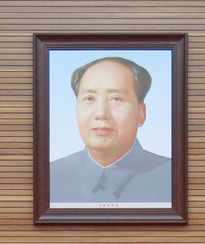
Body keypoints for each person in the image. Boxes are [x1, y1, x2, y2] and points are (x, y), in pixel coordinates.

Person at [47, 56, 173, 206]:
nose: (101, 113)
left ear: (141, 113)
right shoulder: (46, 178)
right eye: (89, 98)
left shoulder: (175, 178)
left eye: (116, 99)